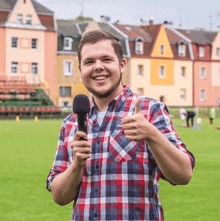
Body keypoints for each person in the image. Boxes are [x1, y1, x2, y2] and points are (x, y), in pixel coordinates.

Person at [46, 30, 195, 221]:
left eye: (106, 59)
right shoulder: (71, 122)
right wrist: (76, 165)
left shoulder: (149, 110)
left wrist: (152, 135)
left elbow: (183, 175)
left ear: (122, 65)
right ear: (80, 69)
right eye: (89, 62)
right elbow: (59, 197)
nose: (98, 67)